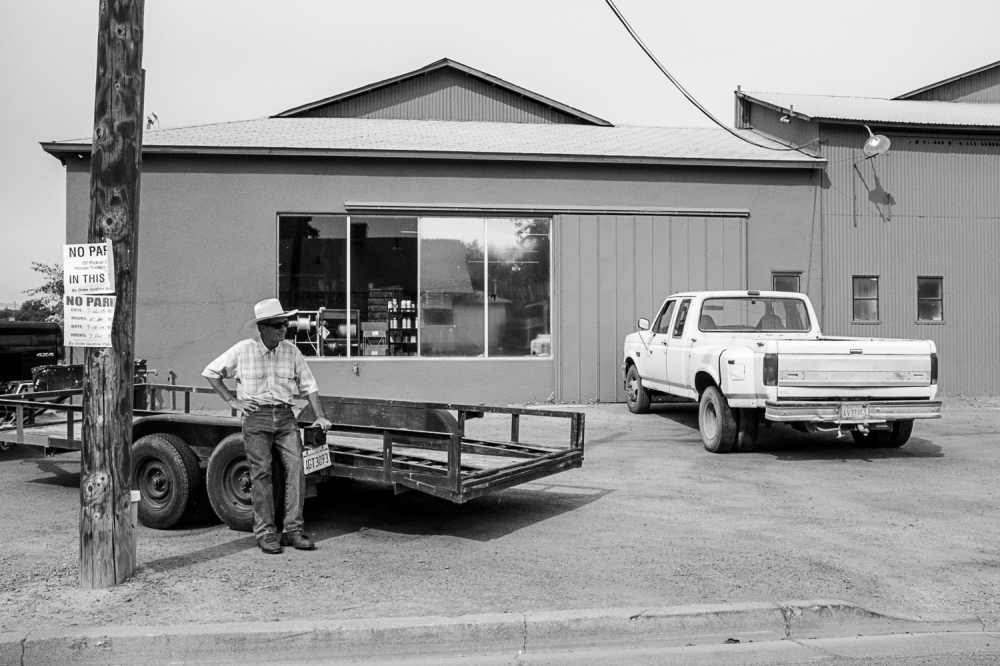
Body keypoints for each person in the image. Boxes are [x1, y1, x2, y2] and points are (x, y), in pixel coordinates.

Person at [203, 298, 332, 555]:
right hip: (256, 417)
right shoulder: (243, 350)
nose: (283, 328)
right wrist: (233, 401)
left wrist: (320, 416)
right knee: (261, 474)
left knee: (296, 468)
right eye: (276, 325)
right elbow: (210, 372)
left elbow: (309, 385)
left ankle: (293, 531)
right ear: (262, 328)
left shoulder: (291, 351)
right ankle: (265, 533)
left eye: (285, 323)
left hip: (285, 417)